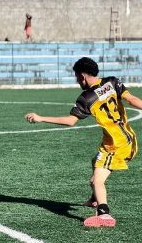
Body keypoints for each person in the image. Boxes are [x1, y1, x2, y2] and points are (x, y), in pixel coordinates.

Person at [25, 57, 142, 227]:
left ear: (82, 76)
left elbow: (70, 121)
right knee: (95, 161)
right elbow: (131, 100)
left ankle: (104, 214)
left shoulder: (86, 97)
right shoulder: (112, 82)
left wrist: (41, 118)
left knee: (96, 180)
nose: (77, 81)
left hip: (116, 145)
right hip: (128, 138)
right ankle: (95, 198)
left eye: (76, 77)